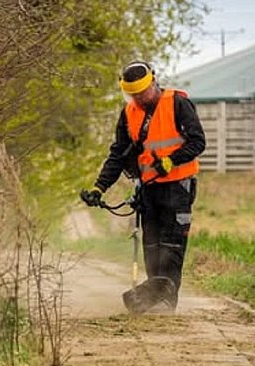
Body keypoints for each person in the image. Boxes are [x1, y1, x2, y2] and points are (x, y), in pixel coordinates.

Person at [80, 60, 206, 313]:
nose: (138, 98)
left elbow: (198, 142)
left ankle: (167, 302)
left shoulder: (178, 104)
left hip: (178, 187)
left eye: (142, 93)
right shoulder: (129, 113)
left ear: (154, 82)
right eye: (133, 94)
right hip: (148, 188)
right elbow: (118, 154)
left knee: (171, 246)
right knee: (152, 246)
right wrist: (99, 188)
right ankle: (151, 300)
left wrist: (171, 161)